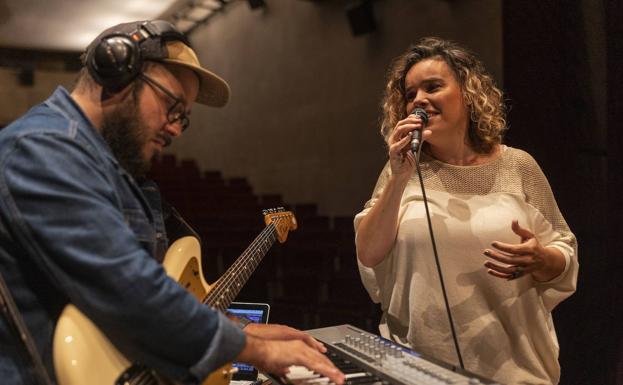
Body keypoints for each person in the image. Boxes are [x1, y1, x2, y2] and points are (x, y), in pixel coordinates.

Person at [0, 20, 344, 385]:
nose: (176, 128)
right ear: (116, 70)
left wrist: (243, 330)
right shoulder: (42, 149)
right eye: (172, 105)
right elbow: (130, 291)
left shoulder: (108, 165)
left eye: (184, 117)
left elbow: (153, 292)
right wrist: (255, 349)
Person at [355, 37, 578, 385]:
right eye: (410, 94)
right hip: (418, 370)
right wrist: (399, 176)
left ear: (468, 92)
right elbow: (368, 252)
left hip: (515, 369)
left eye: (433, 87)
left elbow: (565, 249)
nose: (419, 101)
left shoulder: (518, 166)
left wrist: (543, 258)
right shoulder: (400, 171)